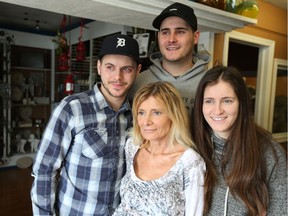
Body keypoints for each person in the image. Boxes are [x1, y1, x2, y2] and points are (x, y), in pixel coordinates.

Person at [30, 34, 142, 215]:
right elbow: (44, 169)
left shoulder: (139, 115)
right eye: (110, 67)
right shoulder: (72, 108)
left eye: (127, 69)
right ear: (98, 67)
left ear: (138, 71)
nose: (117, 77)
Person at [191, 65, 287, 215]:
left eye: (227, 101)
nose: (217, 110)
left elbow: (282, 210)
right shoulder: (192, 148)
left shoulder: (270, 153)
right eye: (209, 101)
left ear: (241, 103)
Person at [113, 81, 206, 216]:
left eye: (156, 113)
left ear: (173, 116)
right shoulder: (132, 147)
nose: (146, 121)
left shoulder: (190, 162)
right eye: (141, 112)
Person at [129, 2, 211, 113]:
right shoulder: (137, 82)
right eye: (165, 32)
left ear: (195, 37)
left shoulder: (211, 82)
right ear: (158, 36)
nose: (171, 39)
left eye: (180, 31)